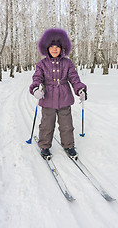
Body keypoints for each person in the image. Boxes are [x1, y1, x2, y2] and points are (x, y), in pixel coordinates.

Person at [29, 28, 87, 159]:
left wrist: (80, 89)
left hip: (64, 98)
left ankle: (69, 145)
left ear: (62, 48)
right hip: (48, 99)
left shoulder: (67, 63)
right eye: (52, 47)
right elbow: (37, 78)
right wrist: (35, 89)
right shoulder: (42, 64)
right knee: (47, 125)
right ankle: (44, 146)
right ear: (46, 48)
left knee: (67, 125)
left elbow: (74, 78)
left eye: (57, 47)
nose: (54, 49)